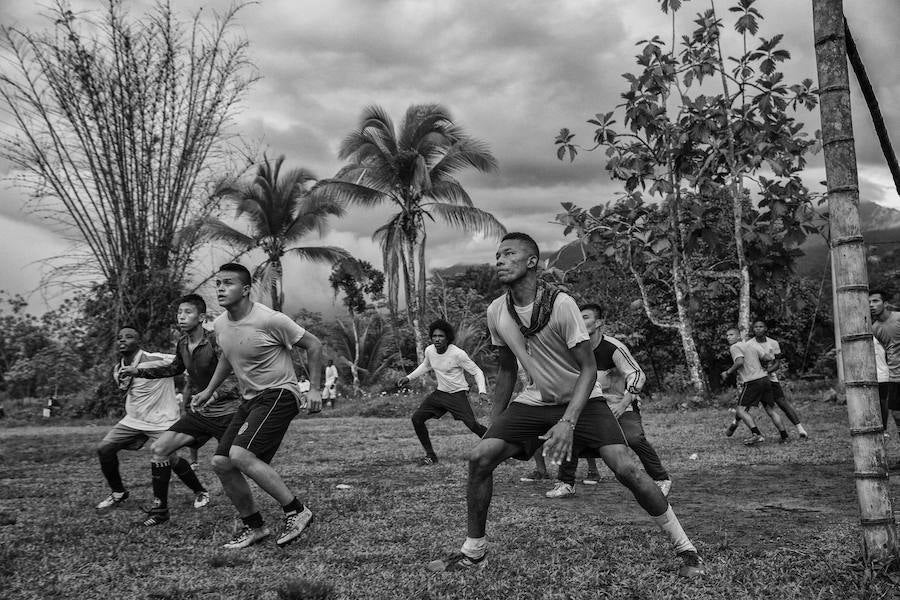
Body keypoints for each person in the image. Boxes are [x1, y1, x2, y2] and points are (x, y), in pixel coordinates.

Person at [427, 233, 705, 577]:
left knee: (626, 469)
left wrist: (568, 422)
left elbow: (588, 369)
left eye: (509, 254)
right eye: (497, 255)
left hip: (583, 398)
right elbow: (507, 369)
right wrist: (494, 425)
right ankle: (474, 552)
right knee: (479, 458)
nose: (500, 260)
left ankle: (686, 548)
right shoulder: (496, 310)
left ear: (532, 262)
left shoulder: (561, 304)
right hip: (535, 401)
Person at [192, 263, 324, 549]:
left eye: (228, 283)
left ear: (246, 289)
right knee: (222, 462)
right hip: (250, 399)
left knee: (240, 454)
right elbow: (228, 356)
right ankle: (255, 526)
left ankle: (297, 511)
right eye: (218, 283)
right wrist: (209, 390)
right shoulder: (220, 324)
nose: (220, 288)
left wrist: (315, 388)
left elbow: (314, 345)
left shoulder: (270, 319)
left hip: (280, 393)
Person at [119, 294, 243, 527]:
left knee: (232, 465)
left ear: (201, 317)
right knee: (160, 449)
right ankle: (160, 511)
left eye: (187, 312)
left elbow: (235, 376)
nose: (181, 317)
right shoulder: (183, 343)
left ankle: (263, 512)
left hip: (228, 414)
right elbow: (174, 368)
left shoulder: (216, 341)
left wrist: (213, 394)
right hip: (201, 414)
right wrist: (139, 371)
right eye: (179, 313)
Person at [546, 303, 672, 499]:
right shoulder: (573, 348)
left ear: (598, 323)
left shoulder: (613, 347)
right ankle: (566, 483)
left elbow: (637, 374)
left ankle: (661, 478)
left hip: (619, 404)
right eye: (578, 317)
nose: (580, 321)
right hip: (591, 405)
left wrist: (623, 404)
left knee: (633, 438)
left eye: (585, 317)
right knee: (570, 432)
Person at [95, 326, 206, 512]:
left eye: (128, 337)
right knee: (104, 449)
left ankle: (200, 491)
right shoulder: (118, 369)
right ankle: (118, 492)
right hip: (133, 420)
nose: (122, 340)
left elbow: (186, 363)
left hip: (162, 420)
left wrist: (201, 387)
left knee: (170, 458)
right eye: (120, 337)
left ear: (138, 341)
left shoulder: (158, 359)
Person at [398, 319, 489, 465]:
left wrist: (482, 391)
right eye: (434, 336)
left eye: (441, 336)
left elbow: (477, 371)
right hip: (440, 394)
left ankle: (501, 447)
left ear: (448, 338)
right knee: (417, 419)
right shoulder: (429, 350)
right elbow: (426, 365)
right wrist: (408, 378)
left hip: (457, 394)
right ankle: (430, 456)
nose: (437, 339)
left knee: (473, 425)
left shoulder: (458, 354)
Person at [735, 321, 809, 440]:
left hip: (770, 379)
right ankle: (735, 423)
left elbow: (777, 363)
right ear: (753, 329)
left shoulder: (773, 343)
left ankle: (801, 430)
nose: (758, 329)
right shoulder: (749, 344)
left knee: (781, 403)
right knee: (745, 405)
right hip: (755, 379)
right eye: (756, 327)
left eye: (761, 327)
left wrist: (767, 371)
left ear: (765, 328)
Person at [721, 328, 789, 445]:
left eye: (731, 335)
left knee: (741, 410)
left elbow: (739, 362)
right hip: (765, 379)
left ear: (739, 336)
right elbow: (768, 358)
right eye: (727, 335)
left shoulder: (735, 347)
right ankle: (785, 436)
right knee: (770, 410)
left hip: (752, 382)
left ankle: (756, 435)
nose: (728, 337)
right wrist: (760, 366)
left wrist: (727, 372)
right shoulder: (752, 345)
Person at [870, 289, 900, 448]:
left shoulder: (898, 318)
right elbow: (888, 349)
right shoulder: (875, 328)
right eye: (869, 302)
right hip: (894, 376)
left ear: (886, 303)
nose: (871, 305)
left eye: (875, 301)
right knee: (896, 414)